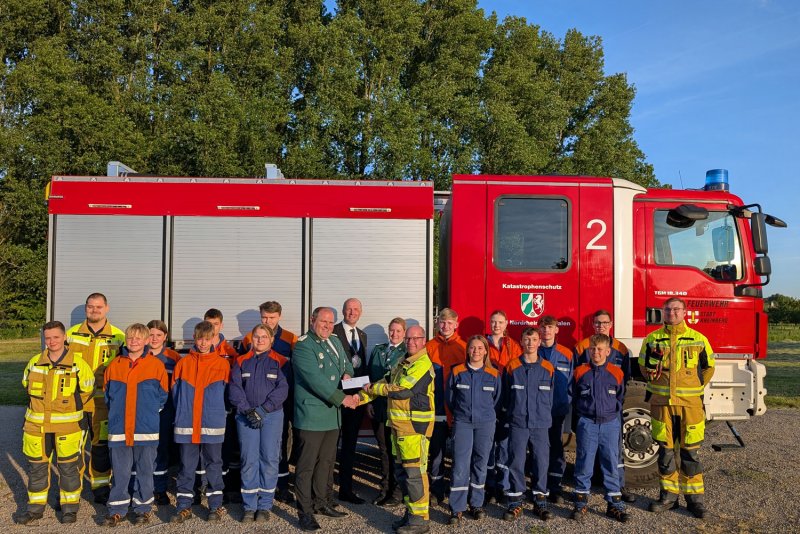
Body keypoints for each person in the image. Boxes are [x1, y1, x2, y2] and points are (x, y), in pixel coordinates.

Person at [352, 325, 435, 534]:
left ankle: (419, 521)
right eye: (408, 338)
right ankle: (410, 514)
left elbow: (402, 390)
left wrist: (373, 388)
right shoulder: (404, 361)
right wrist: (359, 398)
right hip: (399, 428)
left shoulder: (423, 364)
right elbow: (386, 380)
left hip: (414, 429)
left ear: (423, 340)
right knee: (403, 474)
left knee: (414, 475)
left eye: (415, 338)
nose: (411, 342)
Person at [640, 297, 715, 519]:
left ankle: (695, 501)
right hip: (662, 405)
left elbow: (709, 368)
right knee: (665, 453)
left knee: (690, 453)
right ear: (662, 312)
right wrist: (656, 383)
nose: (671, 313)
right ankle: (668, 498)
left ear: (684, 312)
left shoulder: (698, 339)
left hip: (689, 407)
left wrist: (693, 387)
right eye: (667, 309)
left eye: (676, 309)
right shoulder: (652, 339)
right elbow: (643, 367)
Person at [16, 321, 94, 525]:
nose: (52, 342)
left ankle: (69, 509)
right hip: (36, 428)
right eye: (48, 338)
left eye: (56, 337)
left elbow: (87, 391)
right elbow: (25, 386)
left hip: (68, 429)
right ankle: (35, 509)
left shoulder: (78, 364)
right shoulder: (34, 362)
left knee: (69, 469)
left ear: (65, 337)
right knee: (37, 469)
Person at [292, 307, 355, 532]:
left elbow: (347, 363)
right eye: (323, 321)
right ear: (312, 320)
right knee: (306, 466)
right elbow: (315, 380)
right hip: (312, 416)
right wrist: (343, 398)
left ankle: (321, 502)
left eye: (330, 322)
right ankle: (305, 511)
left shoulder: (334, 341)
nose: (327, 326)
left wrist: (348, 374)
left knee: (326, 463)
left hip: (331, 415)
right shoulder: (303, 345)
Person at [103, 323, 169, 526]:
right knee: (120, 471)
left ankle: (143, 508)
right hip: (119, 428)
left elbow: (163, 396)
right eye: (130, 337)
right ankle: (117, 509)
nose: (133, 342)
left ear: (146, 341)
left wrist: (148, 413)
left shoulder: (156, 365)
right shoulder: (114, 365)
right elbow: (107, 396)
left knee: (145, 470)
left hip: (145, 429)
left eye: (138, 338)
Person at [66, 292, 125, 503]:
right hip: (75, 404)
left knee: (100, 448)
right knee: (73, 450)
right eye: (91, 306)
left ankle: (100, 488)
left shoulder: (119, 337)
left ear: (106, 308)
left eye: (99, 307)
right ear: (86, 308)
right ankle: (71, 492)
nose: (94, 310)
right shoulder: (71, 334)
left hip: (103, 405)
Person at [171, 321, 231, 523]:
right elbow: (175, 394)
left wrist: (218, 413)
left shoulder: (222, 364)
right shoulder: (183, 363)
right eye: (199, 339)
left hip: (212, 424)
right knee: (186, 466)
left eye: (207, 339)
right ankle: (183, 506)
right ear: (194, 339)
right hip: (187, 423)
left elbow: (227, 395)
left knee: (214, 464)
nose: (203, 343)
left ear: (213, 338)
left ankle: (215, 505)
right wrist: (183, 412)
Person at [228, 324, 290, 523]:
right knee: (249, 459)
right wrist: (247, 410)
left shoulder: (280, 361)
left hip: (271, 416)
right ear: (251, 339)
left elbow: (283, 389)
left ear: (271, 340)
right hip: (246, 416)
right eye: (257, 336)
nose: (260, 340)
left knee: (270, 459)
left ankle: (264, 505)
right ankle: (249, 506)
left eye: (264, 337)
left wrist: (263, 410)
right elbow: (235, 389)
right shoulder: (241, 361)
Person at [574, 309, 635, 503]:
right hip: (589, 412)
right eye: (598, 323)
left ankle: (619, 486)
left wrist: (615, 406)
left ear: (611, 324)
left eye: (605, 323)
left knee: (614, 450)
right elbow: (575, 383)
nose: (601, 326)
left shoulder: (621, 349)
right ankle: (587, 489)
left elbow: (624, 381)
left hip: (610, 412)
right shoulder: (582, 347)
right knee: (586, 452)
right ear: (593, 325)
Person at [240, 300, 298, 503]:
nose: (268, 321)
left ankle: (282, 486)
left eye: (272, 318)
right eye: (264, 317)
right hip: (254, 403)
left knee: (279, 444)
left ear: (279, 316)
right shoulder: (250, 338)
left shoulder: (291, 339)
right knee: (253, 448)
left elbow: (296, 369)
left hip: (281, 401)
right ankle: (255, 486)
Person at [570, 334, 629, 523]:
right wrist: (583, 416)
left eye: (600, 349)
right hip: (587, 423)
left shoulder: (616, 372)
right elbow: (574, 396)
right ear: (589, 350)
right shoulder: (580, 372)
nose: (596, 352)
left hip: (610, 424)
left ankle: (614, 505)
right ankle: (580, 503)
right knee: (584, 464)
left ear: (608, 351)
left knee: (610, 463)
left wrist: (610, 413)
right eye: (593, 349)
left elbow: (620, 397)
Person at [446, 336, 502, 524]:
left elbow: (497, 400)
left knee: (480, 463)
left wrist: (485, 416)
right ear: (467, 350)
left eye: (480, 348)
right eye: (472, 348)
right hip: (463, 423)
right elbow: (450, 399)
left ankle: (476, 504)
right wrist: (461, 415)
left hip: (485, 424)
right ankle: (457, 507)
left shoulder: (494, 374)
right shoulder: (457, 372)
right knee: (460, 466)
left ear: (486, 351)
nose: (476, 351)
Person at [503, 327, 554, 522]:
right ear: (521, 342)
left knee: (541, 461)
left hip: (540, 424)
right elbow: (506, 396)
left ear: (539, 342)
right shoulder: (512, 366)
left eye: (534, 339)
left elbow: (551, 397)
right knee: (516, 460)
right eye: (527, 339)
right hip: (518, 422)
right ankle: (516, 500)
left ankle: (540, 500)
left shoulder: (548, 368)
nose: (530, 343)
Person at [424, 308, 466, 503]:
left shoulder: (464, 348)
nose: (446, 326)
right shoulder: (429, 347)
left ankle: (458, 491)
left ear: (456, 324)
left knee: (460, 455)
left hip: (458, 411)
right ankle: (436, 490)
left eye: (450, 323)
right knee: (437, 454)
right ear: (437, 323)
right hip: (437, 410)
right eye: (442, 322)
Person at [366, 317, 407, 506]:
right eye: (392, 330)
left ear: (404, 333)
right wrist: (369, 402)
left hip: (396, 410)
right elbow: (370, 378)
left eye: (398, 331)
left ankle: (397, 492)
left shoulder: (406, 352)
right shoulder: (378, 350)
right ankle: (384, 490)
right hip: (379, 408)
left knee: (396, 452)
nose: (394, 334)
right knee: (383, 450)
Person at [204, 308, 242, 502]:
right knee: (207, 449)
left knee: (227, 446)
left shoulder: (229, 351)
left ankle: (228, 486)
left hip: (225, 406)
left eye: (215, 324)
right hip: (205, 407)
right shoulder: (201, 348)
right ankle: (207, 485)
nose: (212, 328)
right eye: (208, 324)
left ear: (221, 325)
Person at [333, 297, 368, 504]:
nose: (352, 312)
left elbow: (361, 368)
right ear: (343, 311)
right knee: (329, 448)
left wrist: (362, 396)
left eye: (356, 309)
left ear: (360, 312)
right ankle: (324, 490)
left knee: (349, 447)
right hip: (336, 399)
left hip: (356, 401)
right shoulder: (333, 332)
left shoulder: (362, 335)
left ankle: (346, 489)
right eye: (349, 309)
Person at [484, 310, 521, 503]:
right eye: (493, 322)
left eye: (500, 322)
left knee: (505, 446)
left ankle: (504, 486)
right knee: (488, 445)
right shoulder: (483, 344)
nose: (496, 325)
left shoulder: (513, 346)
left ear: (506, 323)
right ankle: (489, 485)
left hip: (507, 402)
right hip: (487, 401)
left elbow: (518, 372)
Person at [536, 315, 574, 502]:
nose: (546, 331)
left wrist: (564, 403)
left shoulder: (567, 354)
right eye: (543, 327)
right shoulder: (532, 351)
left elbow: (572, 383)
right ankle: (539, 486)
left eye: (550, 327)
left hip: (556, 410)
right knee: (538, 449)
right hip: (536, 411)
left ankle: (555, 486)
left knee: (556, 447)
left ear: (556, 330)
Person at [147, 320, 181, 505]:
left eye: (158, 335)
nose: (154, 339)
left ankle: (159, 489)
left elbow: (179, 386)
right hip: (143, 411)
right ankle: (142, 488)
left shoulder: (173, 358)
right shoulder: (139, 354)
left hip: (165, 411)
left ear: (165, 337)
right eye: (151, 334)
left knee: (161, 449)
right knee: (143, 450)